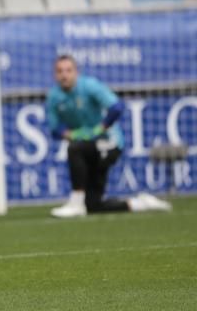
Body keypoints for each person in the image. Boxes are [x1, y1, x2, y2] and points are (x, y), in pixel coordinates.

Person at [46, 55, 170, 218]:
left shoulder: (89, 86)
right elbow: (55, 129)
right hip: (87, 147)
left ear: (77, 72)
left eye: (68, 70)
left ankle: (75, 202)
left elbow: (117, 107)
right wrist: (71, 133)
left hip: (109, 142)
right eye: (60, 71)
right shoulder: (54, 96)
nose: (64, 75)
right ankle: (141, 203)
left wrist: (100, 129)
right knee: (93, 205)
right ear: (55, 75)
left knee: (74, 149)